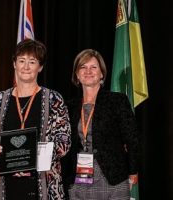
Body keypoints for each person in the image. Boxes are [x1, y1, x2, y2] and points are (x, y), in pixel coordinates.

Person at [0, 39, 71, 200]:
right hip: (7, 186)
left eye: (32, 62)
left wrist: (34, 154)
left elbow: (64, 141)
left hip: (45, 186)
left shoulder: (54, 99)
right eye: (21, 61)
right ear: (14, 64)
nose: (26, 67)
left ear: (40, 67)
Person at [61, 49, 139, 200]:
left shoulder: (117, 101)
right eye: (83, 67)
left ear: (102, 73)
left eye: (93, 67)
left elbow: (132, 140)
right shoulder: (68, 106)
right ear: (77, 74)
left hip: (113, 179)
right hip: (78, 182)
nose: (88, 71)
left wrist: (133, 171)